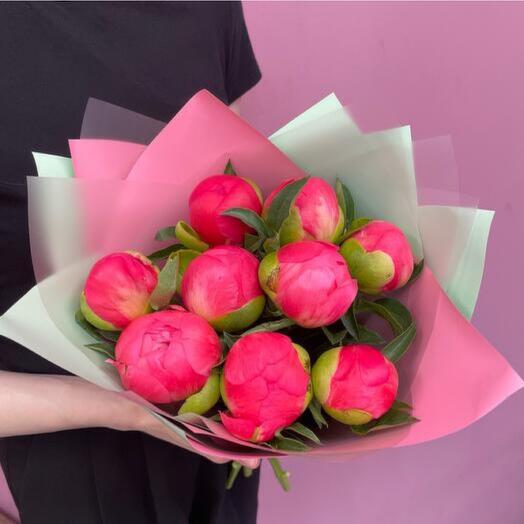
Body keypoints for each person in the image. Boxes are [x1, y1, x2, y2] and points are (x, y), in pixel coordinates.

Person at [0, 2, 261, 523]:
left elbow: (244, 217)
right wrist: (125, 410)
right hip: (63, 464)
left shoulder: (209, 11)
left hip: (219, 439)